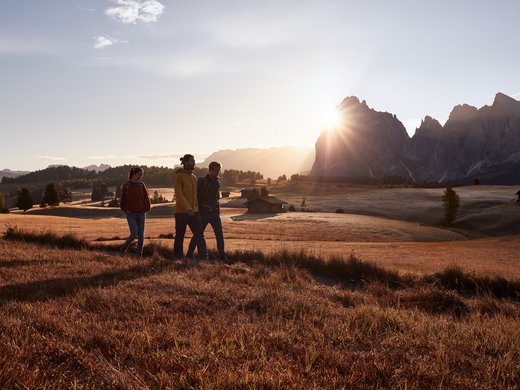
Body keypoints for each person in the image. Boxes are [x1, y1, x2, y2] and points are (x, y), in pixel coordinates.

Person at [187, 161, 231, 263]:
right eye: (216, 171)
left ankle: (222, 256)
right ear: (210, 170)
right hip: (203, 213)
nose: (218, 173)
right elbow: (196, 198)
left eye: (219, 171)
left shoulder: (217, 182)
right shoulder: (202, 181)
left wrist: (218, 211)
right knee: (198, 234)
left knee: (219, 234)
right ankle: (189, 254)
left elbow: (217, 199)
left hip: (214, 213)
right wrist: (196, 213)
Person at [173, 154, 208, 260]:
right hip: (181, 212)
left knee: (199, 235)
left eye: (194, 161)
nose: (194, 163)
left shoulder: (194, 177)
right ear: (186, 162)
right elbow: (179, 195)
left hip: (194, 212)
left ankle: (203, 258)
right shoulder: (179, 176)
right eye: (192, 161)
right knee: (180, 236)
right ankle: (178, 258)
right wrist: (188, 208)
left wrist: (196, 210)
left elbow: (195, 196)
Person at [120, 167, 151, 256]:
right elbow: (122, 201)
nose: (140, 176)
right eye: (139, 174)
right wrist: (126, 210)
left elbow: (146, 198)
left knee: (141, 235)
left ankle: (139, 254)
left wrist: (146, 209)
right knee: (134, 234)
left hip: (141, 213)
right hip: (131, 214)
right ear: (134, 174)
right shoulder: (126, 185)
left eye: (142, 175)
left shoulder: (142, 185)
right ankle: (124, 248)